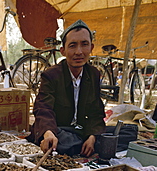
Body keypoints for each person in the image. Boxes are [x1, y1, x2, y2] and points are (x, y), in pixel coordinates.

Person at [28, 19, 106, 157]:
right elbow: (43, 107)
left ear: (91, 48)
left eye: (84, 44)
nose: (79, 52)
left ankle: (84, 143)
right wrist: (48, 132)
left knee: (125, 133)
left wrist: (92, 137)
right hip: (58, 131)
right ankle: (77, 144)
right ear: (63, 51)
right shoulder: (51, 75)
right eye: (72, 46)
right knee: (62, 142)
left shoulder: (93, 74)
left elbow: (96, 112)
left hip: (81, 130)